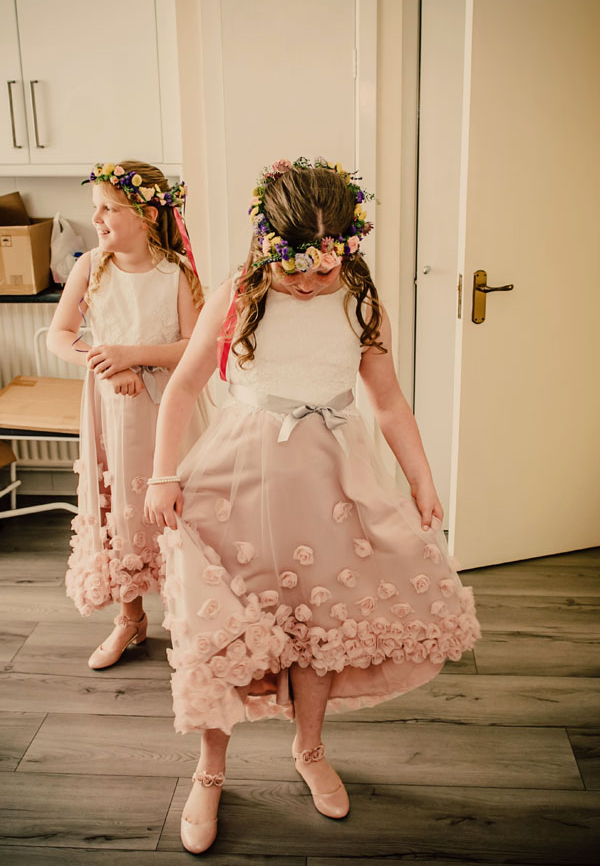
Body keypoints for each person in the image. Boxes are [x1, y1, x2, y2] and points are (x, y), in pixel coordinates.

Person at [145, 157, 481, 855]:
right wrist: (161, 475)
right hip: (236, 478)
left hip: (329, 482)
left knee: (318, 622)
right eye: (296, 267)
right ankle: (210, 770)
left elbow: (388, 402)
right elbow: (182, 389)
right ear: (267, 242)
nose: (308, 282)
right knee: (223, 632)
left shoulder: (361, 302)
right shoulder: (239, 294)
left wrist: (421, 478)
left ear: (347, 250)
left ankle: (310, 747)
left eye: (324, 269)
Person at [47, 160, 208, 670]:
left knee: (177, 508)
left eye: (108, 209)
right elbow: (60, 336)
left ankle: (187, 618)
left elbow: (193, 347)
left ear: (146, 215)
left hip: (169, 408)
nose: (96, 218)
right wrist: (105, 364)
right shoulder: (90, 266)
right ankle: (130, 617)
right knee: (123, 510)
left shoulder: (176, 272)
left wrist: (131, 355)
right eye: (94, 208)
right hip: (112, 413)